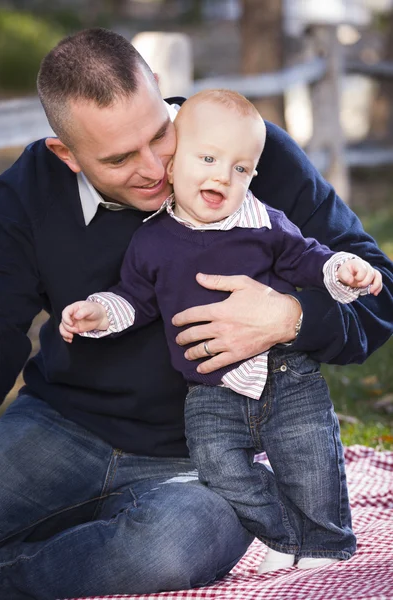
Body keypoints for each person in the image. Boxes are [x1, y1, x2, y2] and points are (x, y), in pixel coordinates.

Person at [0, 27, 392, 600]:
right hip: (59, 427)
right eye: (119, 158)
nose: (155, 167)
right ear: (68, 154)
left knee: (167, 547)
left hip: (204, 454)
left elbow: (381, 294)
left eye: (159, 133)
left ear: (160, 87)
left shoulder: (246, 156)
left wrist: (292, 317)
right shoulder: (24, 194)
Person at [60, 89, 382, 574]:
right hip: (209, 390)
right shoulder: (152, 240)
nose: (221, 176)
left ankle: (326, 548)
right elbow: (135, 297)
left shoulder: (266, 225)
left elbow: (309, 258)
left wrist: (342, 270)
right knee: (219, 468)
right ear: (172, 165)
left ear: (253, 175)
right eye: (207, 158)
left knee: (311, 461)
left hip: (285, 374)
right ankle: (285, 532)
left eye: (240, 169)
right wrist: (99, 312)